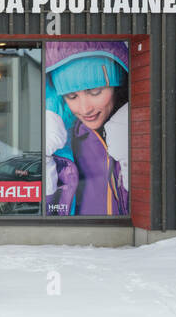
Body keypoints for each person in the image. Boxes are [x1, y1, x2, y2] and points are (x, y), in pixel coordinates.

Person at [43, 40, 129, 217]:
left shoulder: (139, 130)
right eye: (72, 96)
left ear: (119, 84)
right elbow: (45, 222)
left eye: (95, 91)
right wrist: (46, 165)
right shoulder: (63, 142)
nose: (85, 109)